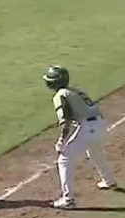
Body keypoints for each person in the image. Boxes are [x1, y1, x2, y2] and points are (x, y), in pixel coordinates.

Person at [41, 66, 116, 209]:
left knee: (64, 158)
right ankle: (109, 180)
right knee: (94, 152)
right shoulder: (75, 90)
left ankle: (68, 199)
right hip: (100, 123)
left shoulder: (60, 95)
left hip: (88, 127)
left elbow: (66, 121)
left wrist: (61, 141)